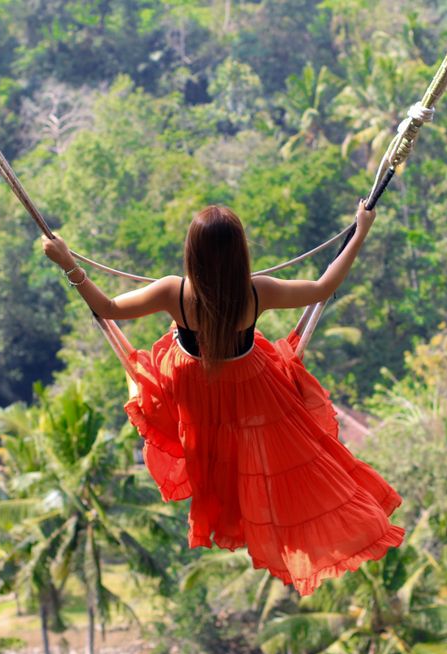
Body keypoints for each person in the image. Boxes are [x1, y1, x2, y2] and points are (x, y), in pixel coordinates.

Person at [42, 200, 403, 596]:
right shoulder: (255, 292)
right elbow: (323, 288)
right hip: (251, 390)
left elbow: (108, 307)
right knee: (281, 457)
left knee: (210, 453)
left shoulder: (174, 293)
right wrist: (361, 230)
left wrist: (67, 264)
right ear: (240, 254)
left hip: (195, 397)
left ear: (192, 253)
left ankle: (232, 508)